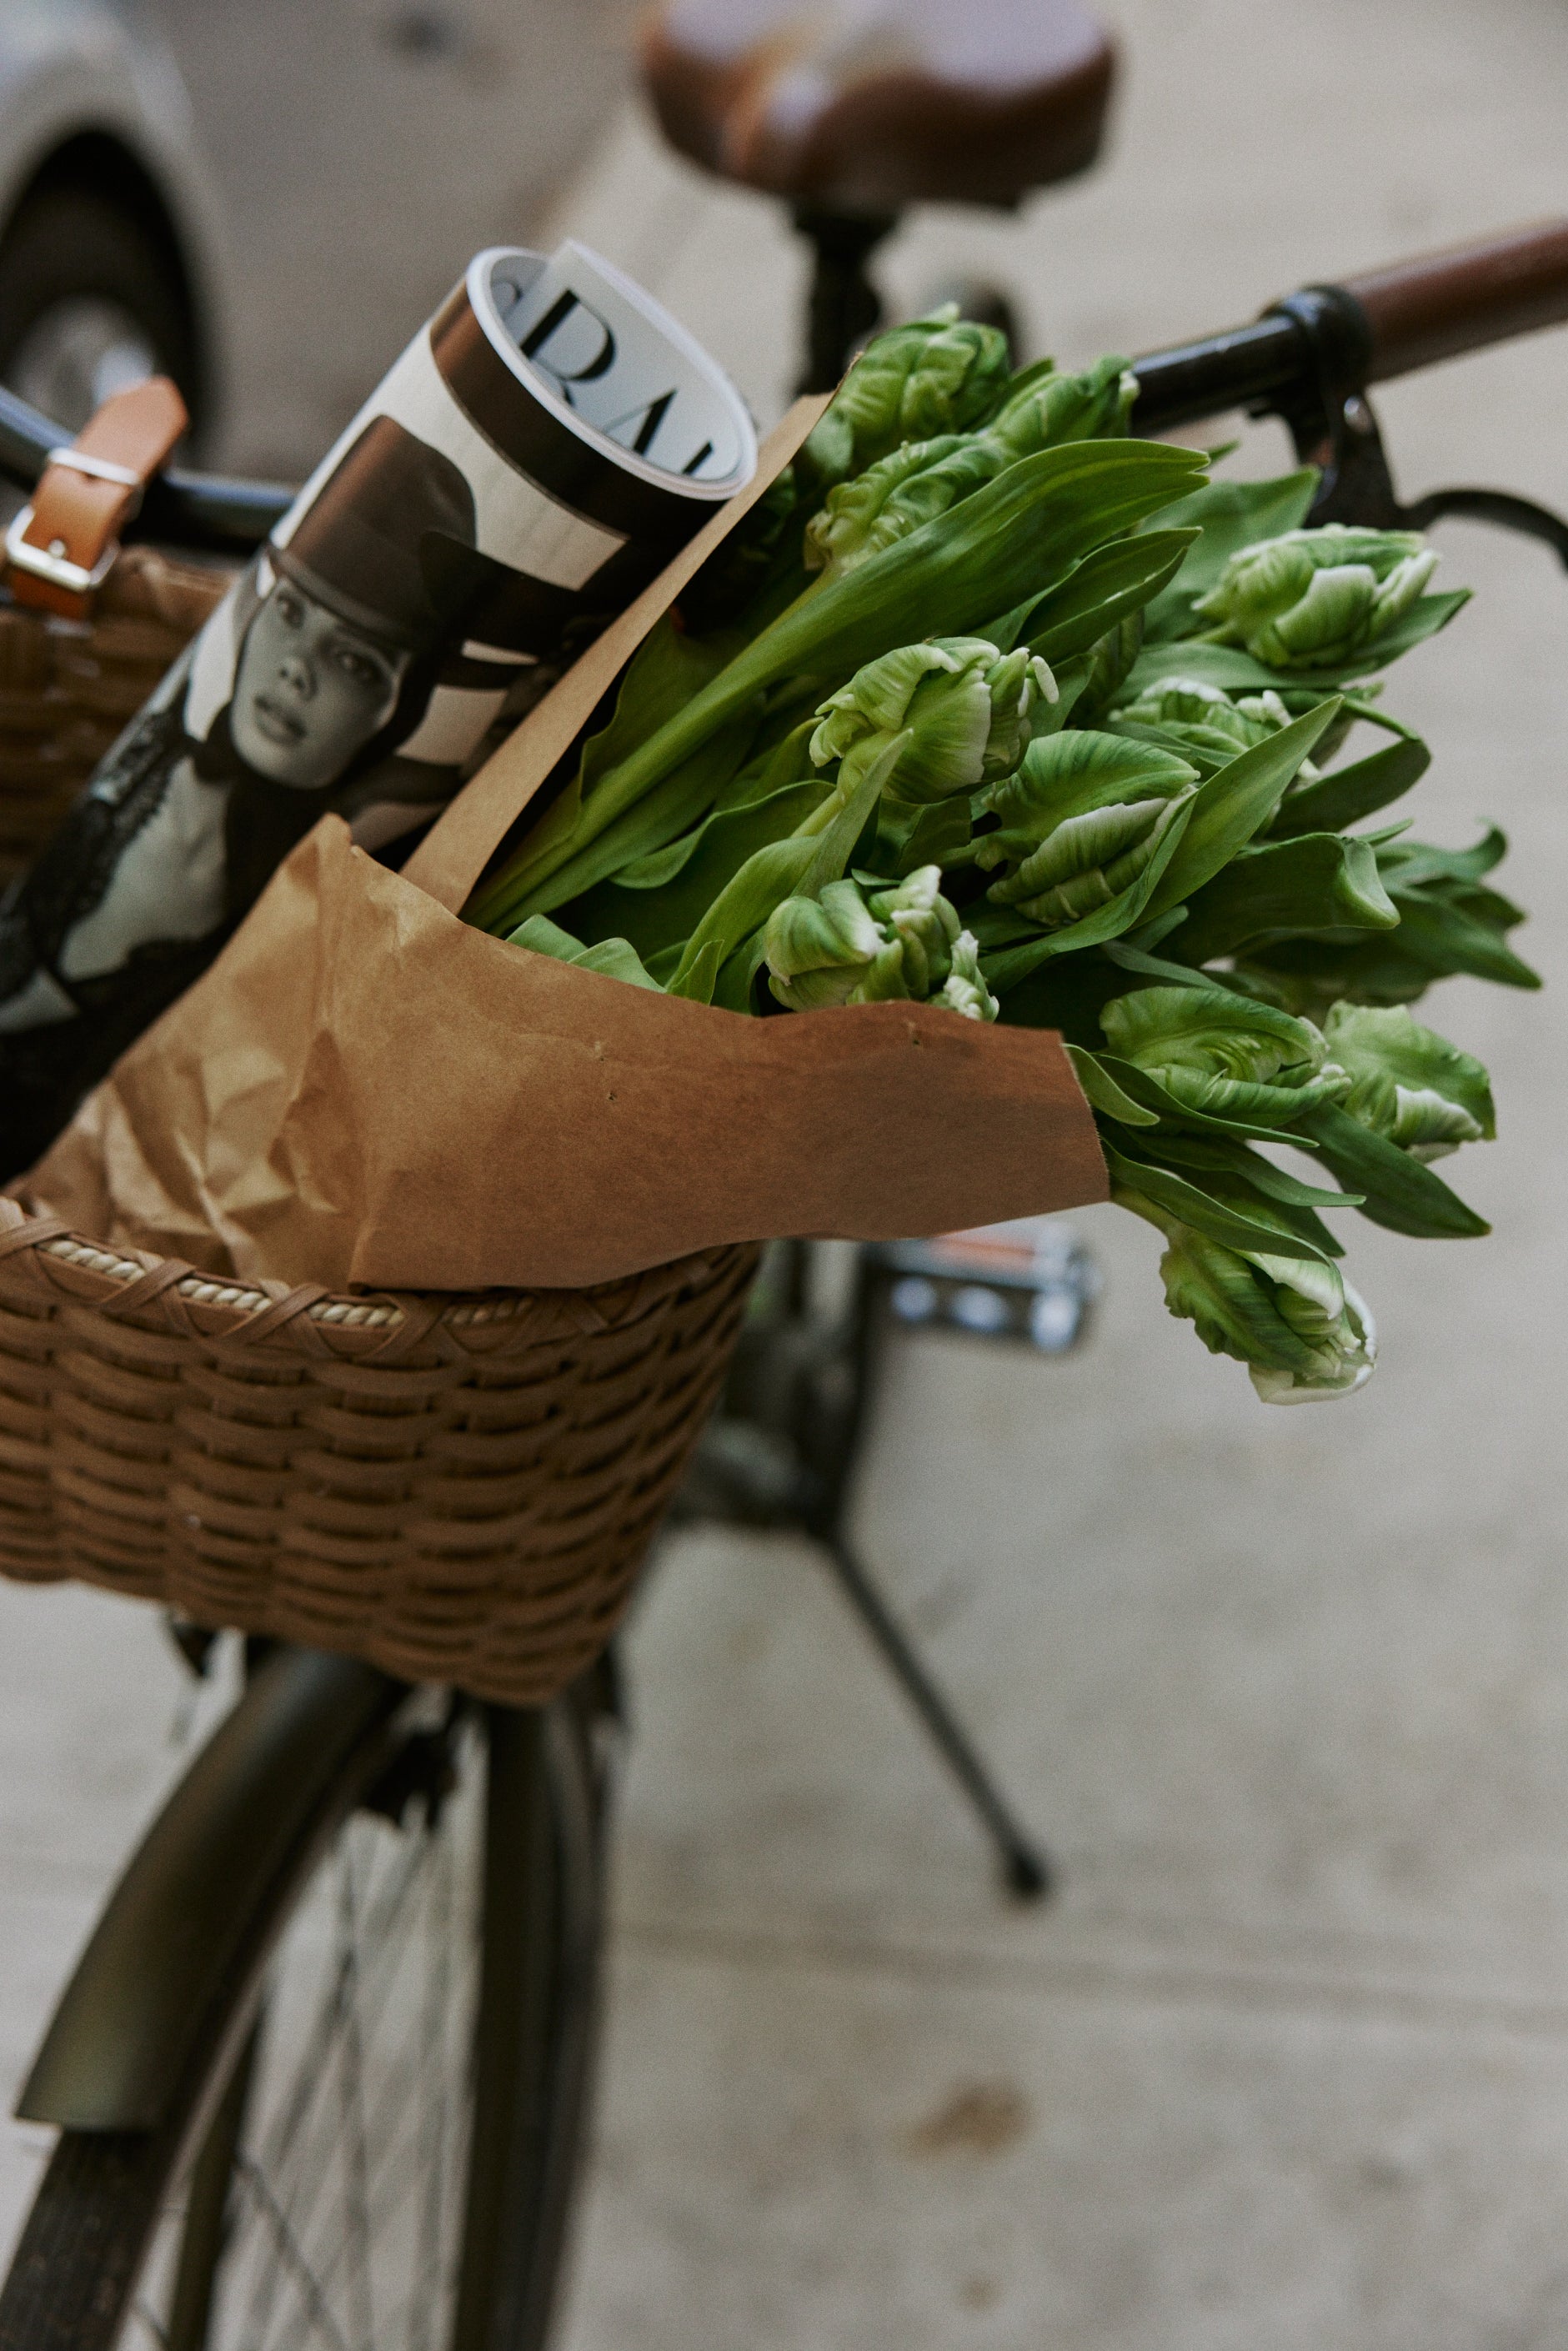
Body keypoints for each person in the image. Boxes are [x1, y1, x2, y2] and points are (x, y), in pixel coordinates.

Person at [0, 415, 478, 1174]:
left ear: (395, 714)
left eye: (353, 662)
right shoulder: (155, 758)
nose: (297, 668)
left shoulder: (333, 918)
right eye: (288, 614)